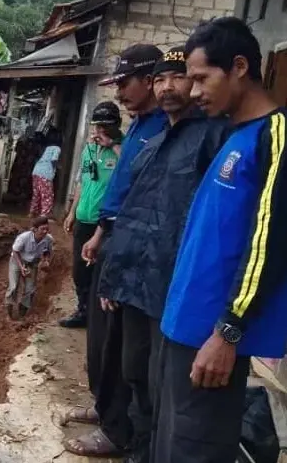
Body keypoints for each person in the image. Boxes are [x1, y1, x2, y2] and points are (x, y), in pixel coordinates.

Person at [154, 17, 287, 463]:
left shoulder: (275, 137)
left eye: (200, 78)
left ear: (239, 67)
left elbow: (270, 242)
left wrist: (228, 332)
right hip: (183, 327)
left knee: (197, 449)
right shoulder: (233, 135)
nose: (193, 92)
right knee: (172, 443)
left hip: (214, 339)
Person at [91, 46, 230, 463]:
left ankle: (147, 450)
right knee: (134, 369)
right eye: (160, 79)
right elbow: (133, 214)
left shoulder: (212, 137)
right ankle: (138, 446)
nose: (168, 87)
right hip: (137, 278)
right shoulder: (154, 141)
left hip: (172, 283)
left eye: (179, 77)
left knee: (160, 378)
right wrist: (116, 273)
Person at [63, 44, 167, 459]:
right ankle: (105, 408)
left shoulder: (162, 129)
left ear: (150, 81)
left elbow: (143, 200)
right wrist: (101, 235)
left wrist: (112, 242)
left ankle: (118, 429)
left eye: (125, 83)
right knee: (103, 340)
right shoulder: (142, 124)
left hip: (132, 248)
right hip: (111, 237)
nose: (120, 92)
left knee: (126, 348)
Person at [60, 102, 123, 329]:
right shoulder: (87, 150)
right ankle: (83, 310)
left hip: (105, 223)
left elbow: (131, 171)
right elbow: (82, 181)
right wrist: (72, 212)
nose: (98, 132)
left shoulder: (121, 150)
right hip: (83, 219)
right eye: (96, 127)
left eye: (104, 127)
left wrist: (114, 145)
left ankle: (100, 318)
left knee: (99, 270)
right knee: (79, 270)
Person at [5, 216, 53, 321]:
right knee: (13, 286)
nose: (45, 231)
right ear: (35, 229)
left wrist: (46, 260)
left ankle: (22, 314)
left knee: (30, 289)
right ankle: (9, 313)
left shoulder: (48, 239)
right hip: (17, 261)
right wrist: (21, 266)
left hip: (32, 264)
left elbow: (47, 251)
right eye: (42, 229)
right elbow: (15, 251)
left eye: (46, 228)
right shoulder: (24, 238)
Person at [30, 134, 62, 218]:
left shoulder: (48, 148)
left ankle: (33, 212)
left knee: (36, 193)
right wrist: (58, 166)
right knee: (47, 195)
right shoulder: (57, 148)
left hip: (36, 171)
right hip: (45, 173)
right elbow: (54, 159)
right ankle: (44, 214)